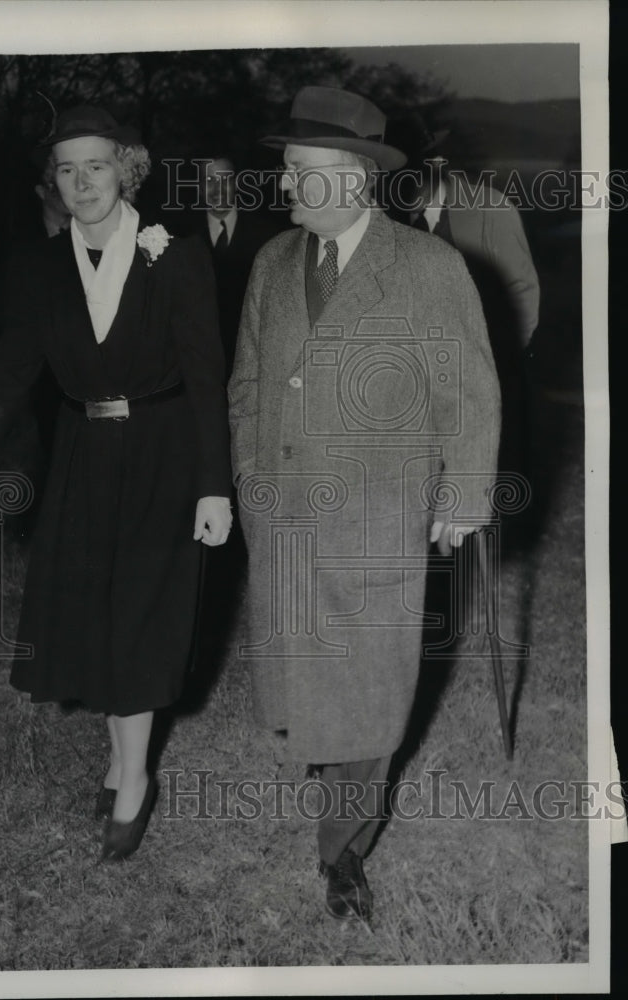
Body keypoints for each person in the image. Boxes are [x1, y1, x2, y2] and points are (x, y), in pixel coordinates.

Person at [229, 87, 501, 924]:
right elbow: (247, 385)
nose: (286, 189)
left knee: (373, 691)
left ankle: (343, 852)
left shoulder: (428, 268)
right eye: (285, 172)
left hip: (380, 515)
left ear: (355, 181)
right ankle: (329, 777)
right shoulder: (273, 264)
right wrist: (248, 479)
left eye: (303, 175)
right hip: (284, 513)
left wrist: (463, 496)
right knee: (307, 671)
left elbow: (470, 392)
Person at [0, 105, 232, 861]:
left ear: (127, 169)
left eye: (96, 165)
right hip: (83, 453)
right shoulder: (40, 266)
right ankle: (120, 757)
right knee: (98, 610)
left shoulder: (175, 254)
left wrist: (214, 485)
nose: (82, 182)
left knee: (138, 613)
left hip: (163, 450)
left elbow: (207, 377)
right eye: (67, 170)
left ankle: (134, 779)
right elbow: (11, 373)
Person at [385, 112, 539, 476]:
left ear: (437, 164)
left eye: (413, 171)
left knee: (477, 489)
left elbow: (523, 292)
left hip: (482, 379)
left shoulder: (491, 208)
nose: (401, 185)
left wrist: (495, 366)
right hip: (409, 394)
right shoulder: (386, 218)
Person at [195, 155, 281, 378]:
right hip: (197, 365)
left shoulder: (267, 236)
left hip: (254, 363)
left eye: (225, 180)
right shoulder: (180, 237)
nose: (217, 188)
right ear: (199, 187)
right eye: (209, 180)